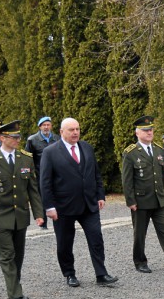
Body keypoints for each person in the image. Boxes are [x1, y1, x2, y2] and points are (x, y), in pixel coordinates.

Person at [39, 117, 118, 288]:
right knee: (65, 243)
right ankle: (69, 274)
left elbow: (95, 174)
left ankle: (101, 274)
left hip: (89, 204)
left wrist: (100, 195)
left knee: (96, 237)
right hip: (63, 207)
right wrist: (49, 206)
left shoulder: (87, 148)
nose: (75, 132)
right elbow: (45, 182)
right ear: (61, 132)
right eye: (71, 130)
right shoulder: (50, 152)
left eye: (77, 129)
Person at [0, 121, 45, 299]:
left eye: (19, 137)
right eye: (14, 137)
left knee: (18, 256)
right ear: (3, 138)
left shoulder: (26, 159)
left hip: (20, 216)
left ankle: (17, 287)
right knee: (7, 256)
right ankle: (15, 295)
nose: (17, 140)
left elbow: (33, 190)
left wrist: (39, 214)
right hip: (1, 217)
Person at [122, 116, 164, 275]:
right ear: (137, 133)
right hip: (141, 200)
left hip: (159, 199)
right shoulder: (130, 153)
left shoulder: (158, 149)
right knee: (140, 233)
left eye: (151, 129)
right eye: (145, 130)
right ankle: (140, 261)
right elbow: (127, 179)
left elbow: (163, 176)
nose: (149, 132)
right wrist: (130, 200)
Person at [25, 116, 58, 229]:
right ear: (39, 127)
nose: (46, 127)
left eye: (48, 124)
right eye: (44, 125)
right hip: (40, 174)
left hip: (56, 174)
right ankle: (43, 223)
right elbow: (27, 158)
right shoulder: (32, 140)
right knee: (41, 198)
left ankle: (58, 221)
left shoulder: (57, 138)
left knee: (58, 196)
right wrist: (31, 174)